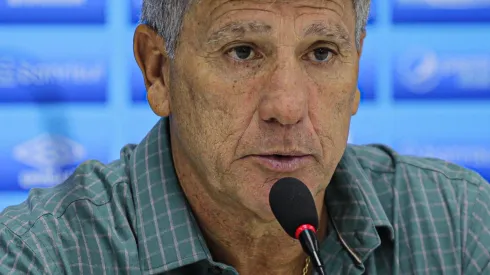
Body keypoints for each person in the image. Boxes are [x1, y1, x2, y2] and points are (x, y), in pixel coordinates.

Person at [1, 0, 489, 274]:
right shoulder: (41, 258)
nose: (287, 107)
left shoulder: (461, 224)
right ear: (158, 72)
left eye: (321, 53)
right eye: (242, 52)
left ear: (357, 67)